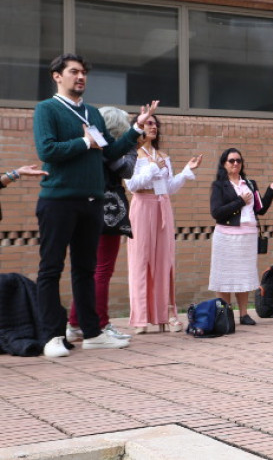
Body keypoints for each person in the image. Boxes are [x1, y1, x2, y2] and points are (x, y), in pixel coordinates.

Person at [33, 53, 157, 358]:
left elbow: (110, 152)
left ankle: (92, 333)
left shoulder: (92, 113)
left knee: (85, 270)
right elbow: (47, 149)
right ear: (57, 76)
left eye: (84, 73)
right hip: (58, 200)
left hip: (93, 202)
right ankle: (51, 335)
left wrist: (135, 130)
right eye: (74, 72)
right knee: (51, 269)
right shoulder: (46, 109)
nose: (81, 77)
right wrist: (83, 143)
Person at [65, 107, 136, 343]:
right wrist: (133, 143)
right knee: (102, 270)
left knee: (88, 270)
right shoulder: (108, 147)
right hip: (107, 210)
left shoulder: (89, 142)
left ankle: (76, 323)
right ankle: (100, 324)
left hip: (85, 205)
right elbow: (126, 169)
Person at [126, 115, 202, 333]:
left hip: (163, 206)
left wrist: (186, 172)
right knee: (140, 261)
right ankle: (140, 318)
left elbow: (168, 187)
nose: (153, 127)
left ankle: (165, 315)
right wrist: (151, 168)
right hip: (142, 207)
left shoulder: (163, 156)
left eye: (155, 123)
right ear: (139, 126)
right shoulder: (132, 155)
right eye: (149, 123)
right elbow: (132, 184)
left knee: (164, 262)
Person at [209, 148, 273, 324]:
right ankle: (226, 314)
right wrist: (240, 201)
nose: (235, 164)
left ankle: (243, 314)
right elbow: (217, 213)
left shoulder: (249, 183)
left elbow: (260, 209)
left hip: (247, 236)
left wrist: (271, 191)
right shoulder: (219, 185)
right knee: (224, 276)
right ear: (224, 163)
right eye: (231, 160)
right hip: (226, 236)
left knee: (243, 276)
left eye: (238, 161)